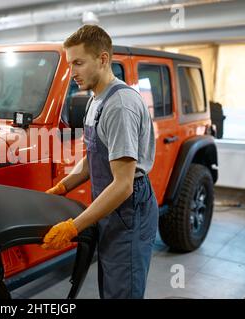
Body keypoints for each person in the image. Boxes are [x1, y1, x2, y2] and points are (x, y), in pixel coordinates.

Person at [41, 25, 159, 299]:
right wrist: (62, 187)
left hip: (129, 210)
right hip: (110, 207)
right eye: (70, 64)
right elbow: (93, 155)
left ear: (103, 59)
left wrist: (74, 226)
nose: (72, 73)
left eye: (79, 63)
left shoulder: (119, 106)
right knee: (111, 283)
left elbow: (123, 186)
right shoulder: (96, 99)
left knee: (123, 289)